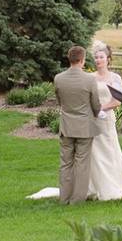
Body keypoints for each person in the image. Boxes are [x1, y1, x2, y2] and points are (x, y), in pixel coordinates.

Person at [53, 46, 101, 204]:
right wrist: (95, 113)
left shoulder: (59, 78)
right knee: (82, 164)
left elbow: (60, 102)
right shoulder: (89, 79)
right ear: (82, 60)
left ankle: (64, 198)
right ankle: (77, 199)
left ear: (69, 59)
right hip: (85, 127)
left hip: (66, 126)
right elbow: (96, 104)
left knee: (65, 163)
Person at [88, 43, 122, 201]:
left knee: (109, 149)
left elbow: (117, 101)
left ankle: (112, 184)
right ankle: (95, 186)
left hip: (106, 119)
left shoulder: (115, 78)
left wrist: (101, 108)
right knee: (95, 152)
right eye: (96, 57)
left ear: (108, 59)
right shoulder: (90, 78)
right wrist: (93, 110)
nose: (98, 60)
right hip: (93, 119)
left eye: (101, 57)